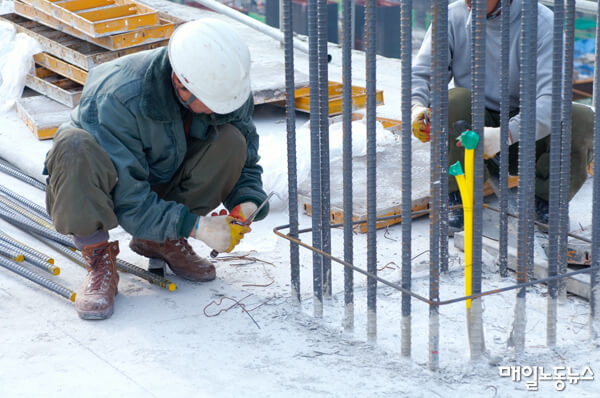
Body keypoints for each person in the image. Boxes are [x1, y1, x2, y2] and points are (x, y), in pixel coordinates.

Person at [43, 18, 269, 320]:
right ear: (181, 83)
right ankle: (98, 257)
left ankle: (160, 239)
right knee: (74, 148)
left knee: (231, 141)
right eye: (213, 104)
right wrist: (196, 226)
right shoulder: (120, 95)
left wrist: (248, 201)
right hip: (105, 185)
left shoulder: (224, 89)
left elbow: (246, 159)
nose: (221, 110)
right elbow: (129, 199)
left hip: (162, 173)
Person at [410, 0, 594, 234]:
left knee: (580, 119)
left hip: (527, 135)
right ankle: (457, 195)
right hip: (471, 130)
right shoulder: (451, 17)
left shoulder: (543, 23)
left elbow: (552, 99)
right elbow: (424, 74)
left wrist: (506, 134)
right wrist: (416, 107)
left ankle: (547, 200)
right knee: (453, 101)